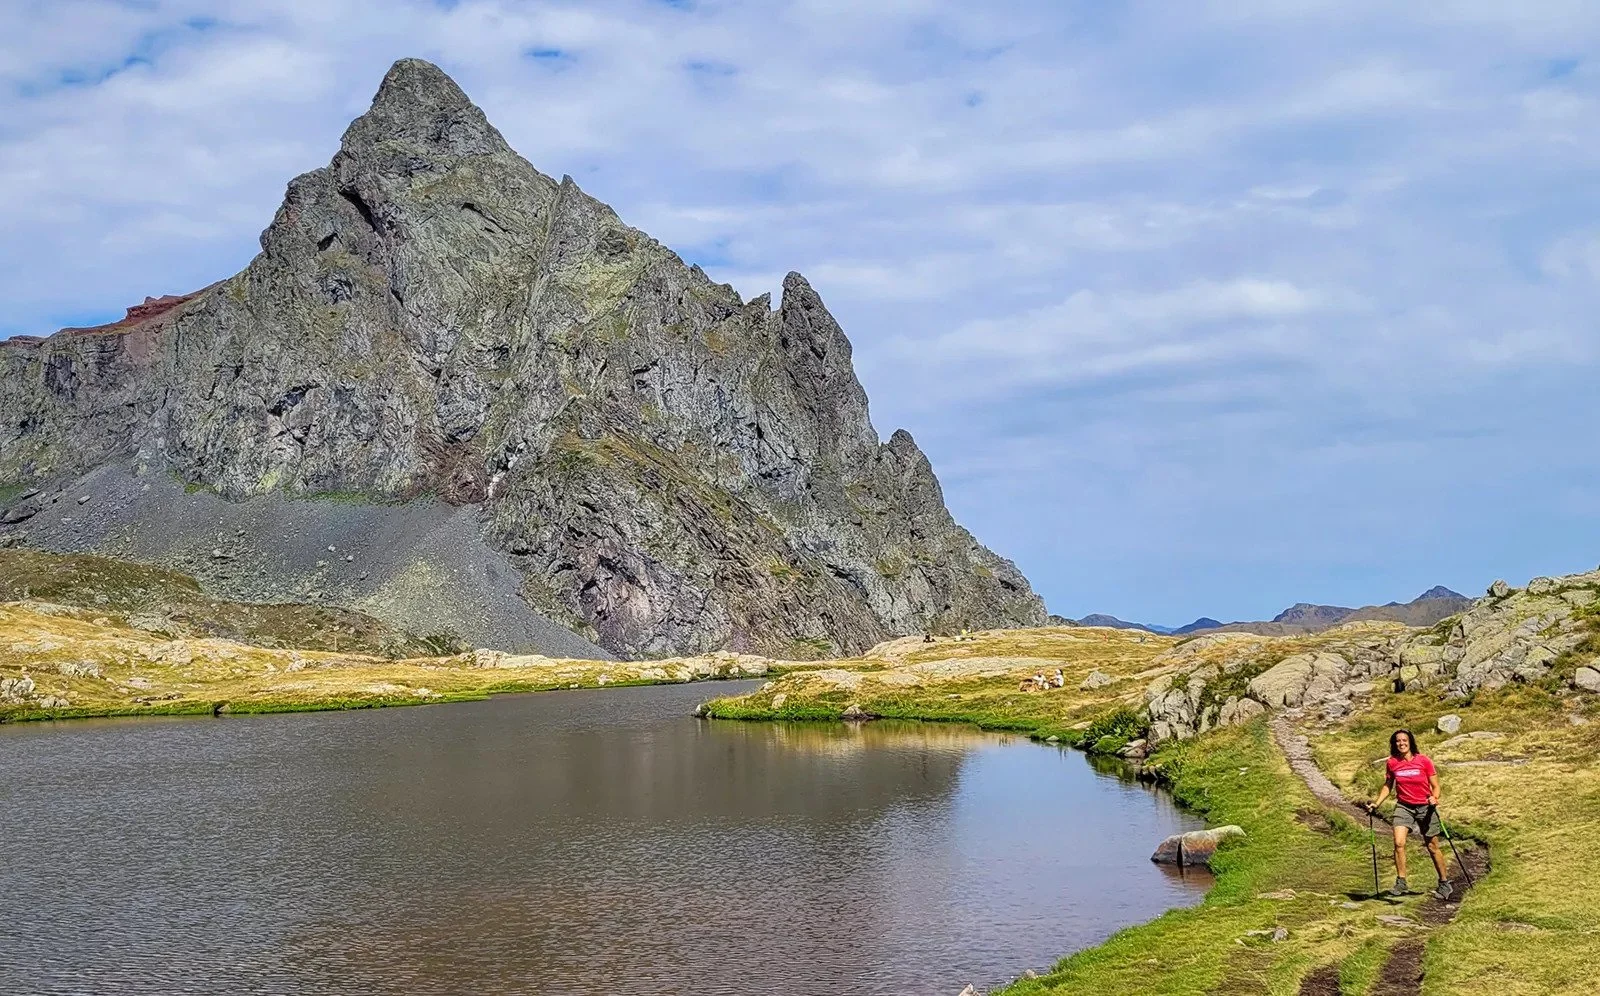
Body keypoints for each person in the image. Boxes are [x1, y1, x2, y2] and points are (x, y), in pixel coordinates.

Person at [1366, 729, 1453, 900]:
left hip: (1425, 806)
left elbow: (1436, 786)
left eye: (1404, 740)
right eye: (1398, 741)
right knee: (1398, 843)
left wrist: (1434, 798)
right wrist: (1377, 803)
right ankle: (1401, 882)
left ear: (1410, 742)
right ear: (1394, 744)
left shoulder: (1424, 761)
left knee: (1432, 846)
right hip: (1404, 806)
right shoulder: (1392, 762)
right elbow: (1388, 785)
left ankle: (1444, 883)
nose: (1401, 743)